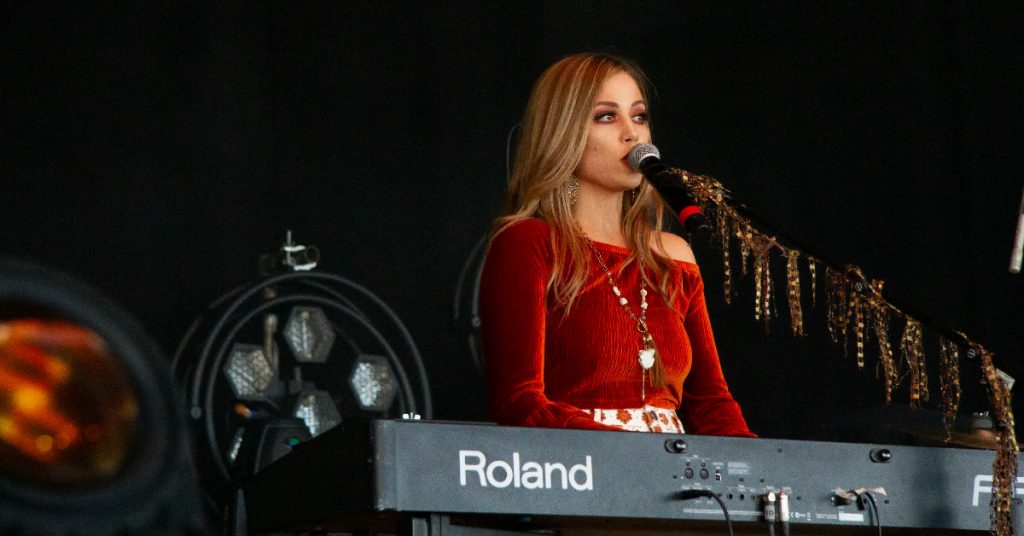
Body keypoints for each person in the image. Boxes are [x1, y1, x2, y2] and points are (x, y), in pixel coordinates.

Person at [479, 53, 754, 436]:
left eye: (639, 116)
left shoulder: (673, 255)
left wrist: (762, 476)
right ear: (562, 132)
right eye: (607, 116)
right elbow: (520, 404)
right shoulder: (528, 241)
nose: (633, 133)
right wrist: (629, 459)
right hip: (578, 473)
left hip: (676, 478)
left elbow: (711, 403)